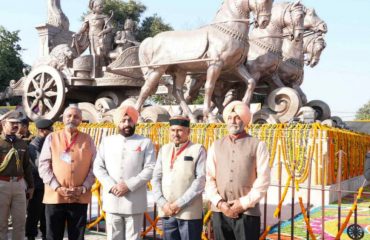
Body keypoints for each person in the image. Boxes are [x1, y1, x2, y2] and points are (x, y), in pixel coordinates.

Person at [205, 101, 271, 240]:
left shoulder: (258, 145)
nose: (233, 121)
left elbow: (263, 180)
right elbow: (209, 178)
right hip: (220, 211)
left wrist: (243, 203)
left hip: (247, 213)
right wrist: (220, 203)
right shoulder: (216, 145)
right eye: (230, 118)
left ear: (245, 120)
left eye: (237, 117)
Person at [93, 105, 156, 240]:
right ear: (117, 123)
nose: (126, 124)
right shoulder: (107, 141)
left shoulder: (145, 142)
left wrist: (128, 185)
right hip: (112, 200)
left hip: (134, 202)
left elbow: (150, 168)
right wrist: (111, 186)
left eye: (130, 120)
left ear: (135, 121)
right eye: (123, 120)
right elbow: (98, 167)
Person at [38, 106, 96, 240]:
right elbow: (43, 165)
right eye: (69, 116)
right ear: (63, 118)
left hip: (79, 196)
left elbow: (95, 167)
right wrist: (57, 187)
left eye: (76, 117)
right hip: (55, 196)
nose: (72, 119)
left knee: (77, 236)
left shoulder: (88, 140)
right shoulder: (52, 138)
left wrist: (83, 188)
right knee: (53, 235)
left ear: (81, 120)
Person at [152, 116, 206, 240]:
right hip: (167, 211)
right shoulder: (164, 149)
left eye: (180, 130)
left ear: (188, 132)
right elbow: (156, 178)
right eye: (172, 130)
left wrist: (179, 204)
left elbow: (200, 181)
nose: (175, 134)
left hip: (189, 213)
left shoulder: (198, 149)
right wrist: (162, 203)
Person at [0, 110, 34, 239]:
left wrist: (31, 186)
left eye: (17, 123)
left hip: (19, 185)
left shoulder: (21, 143)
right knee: (1, 224)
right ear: (3, 123)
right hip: (2, 184)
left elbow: (26, 166)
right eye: (12, 123)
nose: (16, 126)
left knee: (20, 223)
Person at [25, 119, 54, 240]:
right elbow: (40, 164)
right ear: (42, 131)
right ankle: (31, 236)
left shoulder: (48, 141)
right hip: (38, 186)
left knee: (45, 216)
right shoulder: (34, 145)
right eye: (50, 130)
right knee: (34, 214)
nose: (52, 131)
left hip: (47, 185)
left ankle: (45, 235)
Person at [75, 0, 113, 76]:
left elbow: (110, 28)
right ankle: (93, 73)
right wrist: (77, 33)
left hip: (99, 38)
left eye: (102, 6)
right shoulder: (88, 17)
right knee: (93, 55)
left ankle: (102, 72)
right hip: (90, 38)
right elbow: (84, 27)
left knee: (100, 54)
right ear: (94, 7)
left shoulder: (105, 17)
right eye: (100, 6)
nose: (102, 8)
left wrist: (102, 32)